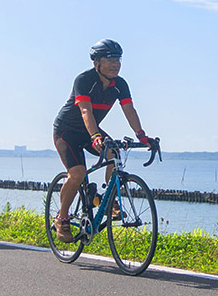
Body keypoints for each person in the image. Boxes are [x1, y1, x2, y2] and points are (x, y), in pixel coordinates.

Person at [50, 39, 156, 243]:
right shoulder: (84, 80)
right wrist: (95, 136)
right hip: (67, 131)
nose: (115, 64)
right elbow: (85, 110)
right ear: (96, 62)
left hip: (91, 132)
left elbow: (129, 110)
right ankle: (61, 219)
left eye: (118, 59)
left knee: (113, 153)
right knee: (78, 173)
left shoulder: (120, 85)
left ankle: (109, 200)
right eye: (109, 59)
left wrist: (141, 135)